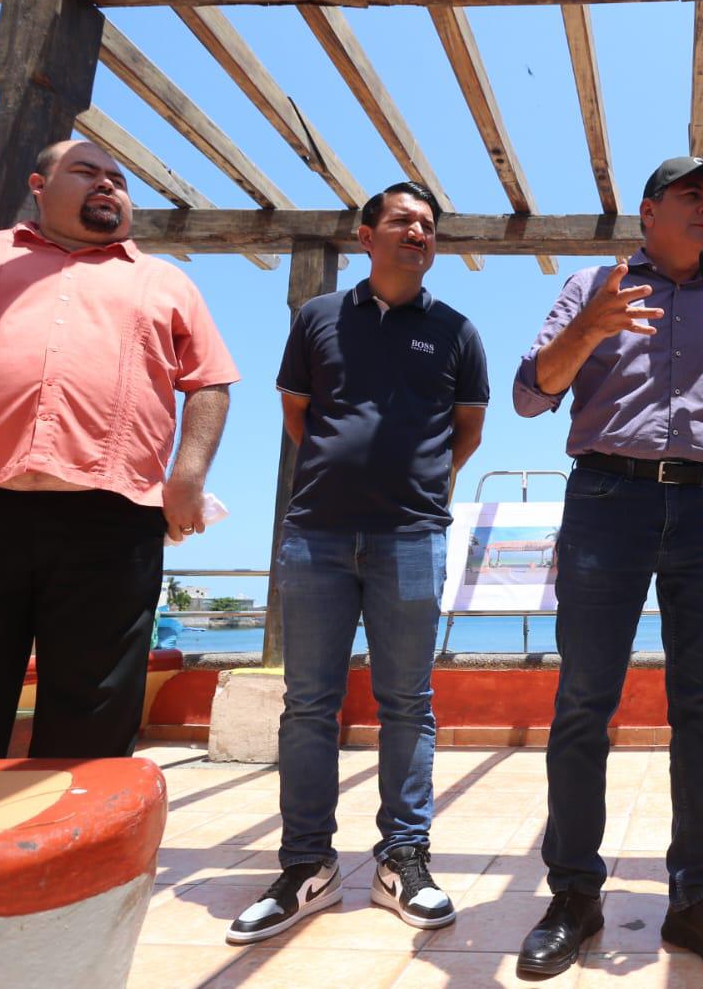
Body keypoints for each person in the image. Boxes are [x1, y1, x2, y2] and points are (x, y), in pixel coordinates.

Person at [510, 156, 703, 979]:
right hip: (607, 501)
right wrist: (590, 327)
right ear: (648, 212)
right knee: (583, 705)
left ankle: (697, 903)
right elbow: (530, 394)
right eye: (691, 195)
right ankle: (573, 897)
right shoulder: (595, 285)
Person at [0, 139, 236, 760]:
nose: (108, 185)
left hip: (110, 522)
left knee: (97, 706)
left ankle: (78, 856)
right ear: (38, 185)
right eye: (86, 172)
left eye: (118, 179)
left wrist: (187, 478)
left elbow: (209, 382)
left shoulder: (164, 281)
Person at [226, 181, 489, 944]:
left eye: (429, 225)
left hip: (412, 536)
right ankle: (306, 866)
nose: (418, 232)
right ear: (365, 235)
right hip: (316, 536)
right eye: (403, 220)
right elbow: (296, 411)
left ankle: (402, 859)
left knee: (408, 702)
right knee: (307, 705)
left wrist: (416, 488)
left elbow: (466, 428)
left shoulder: (457, 330)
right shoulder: (315, 318)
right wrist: (343, 472)